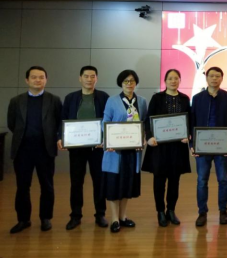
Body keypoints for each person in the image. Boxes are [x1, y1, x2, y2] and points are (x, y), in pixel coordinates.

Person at [8, 66, 62, 234]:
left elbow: (59, 122)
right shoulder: (16, 101)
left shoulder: (54, 100)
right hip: (22, 150)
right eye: (34, 77)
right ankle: (23, 220)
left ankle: (45, 218)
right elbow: (12, 123)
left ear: (46, 80)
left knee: (47, 185)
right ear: (27, 80)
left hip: (45, 149)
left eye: (41, 77)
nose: (37, 80)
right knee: (22, 186)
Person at [60, 66, 110, 231]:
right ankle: (75, 216)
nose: (89, 79)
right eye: (86, 76)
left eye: (92, 76)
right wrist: (62, 138)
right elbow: (63, 120)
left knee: (99, 181)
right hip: (77, 148)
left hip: (98, 147)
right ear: (80, 78)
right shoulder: (71, 98)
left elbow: (109, 119)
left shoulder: (103, 97)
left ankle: (100, 214)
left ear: (96, 78)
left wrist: (105, 139)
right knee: (76, 182)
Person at [142, 69, 191, 227]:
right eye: (170, 78)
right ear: (165, 81)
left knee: (175, 180)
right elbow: (148, 120)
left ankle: (171, 210)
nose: (173, 81)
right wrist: (149, 137)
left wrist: (188, 135)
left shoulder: (185, 98)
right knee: (159, 180)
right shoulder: (157, 98)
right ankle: (160, 211)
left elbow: (189, 120)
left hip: (178, 147)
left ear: (180, 80)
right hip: (159, 147)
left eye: (176, 78)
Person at [102, 70, 148, 234]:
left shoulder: (142, 101)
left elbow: (144, 123)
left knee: (127, 183)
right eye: (126, 81)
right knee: (114, 184)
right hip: (115, 151)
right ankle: (114, 218)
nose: (129, 84)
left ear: (136, 83)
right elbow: (105, 121)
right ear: (121, 83)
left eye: (132, 81)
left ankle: (123, 216)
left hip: (133, 152)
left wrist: (143, 138)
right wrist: (108, 140)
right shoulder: (112, 100)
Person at [190, 67, 227, 227]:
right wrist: (192, 144)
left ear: (222, 78)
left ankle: (223, 211)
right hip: (202, 147)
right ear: (206, 78)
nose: (214, 78)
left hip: (221, 147)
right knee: (202, 180)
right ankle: (202, 212)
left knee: (223, 180)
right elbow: (192, 122)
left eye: (217, 76)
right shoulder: (197, 98)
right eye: (211, 76)